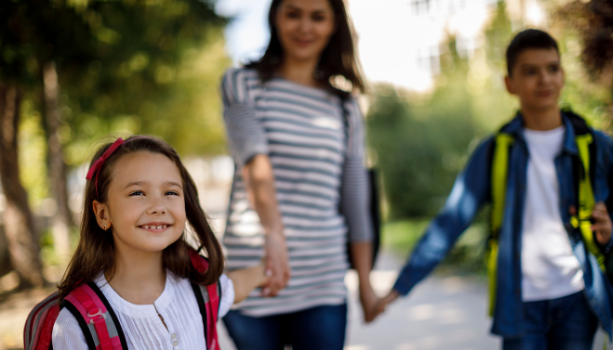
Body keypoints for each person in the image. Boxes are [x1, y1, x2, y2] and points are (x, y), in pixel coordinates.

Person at [370, 29, 613, 349]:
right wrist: (396, 289)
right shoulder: (494, 151)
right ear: (510, 84)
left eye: (552, 68)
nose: (544, 80)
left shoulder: (595, 144)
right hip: (519, 304)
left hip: (578, 298)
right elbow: (449, 223)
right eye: (530, 71)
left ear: (562, 74)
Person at [219, 0, 376, 348]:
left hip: (323, 282)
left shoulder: (346, 106)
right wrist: (274, 235)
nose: (305, 27)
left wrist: (365, 282)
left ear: (334, 24)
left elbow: (355, 196)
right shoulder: (243, 83)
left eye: (317, 17)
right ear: (276, 17)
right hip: (255, 276)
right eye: (293, 13)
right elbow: (253, 158)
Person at [51, 136, 268, 349]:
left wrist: (268, 269)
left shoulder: (198, 284)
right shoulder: (77, 326)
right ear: (102, 214)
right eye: (137, 192)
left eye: (171, 192)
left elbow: (235, 286)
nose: (158, 206)